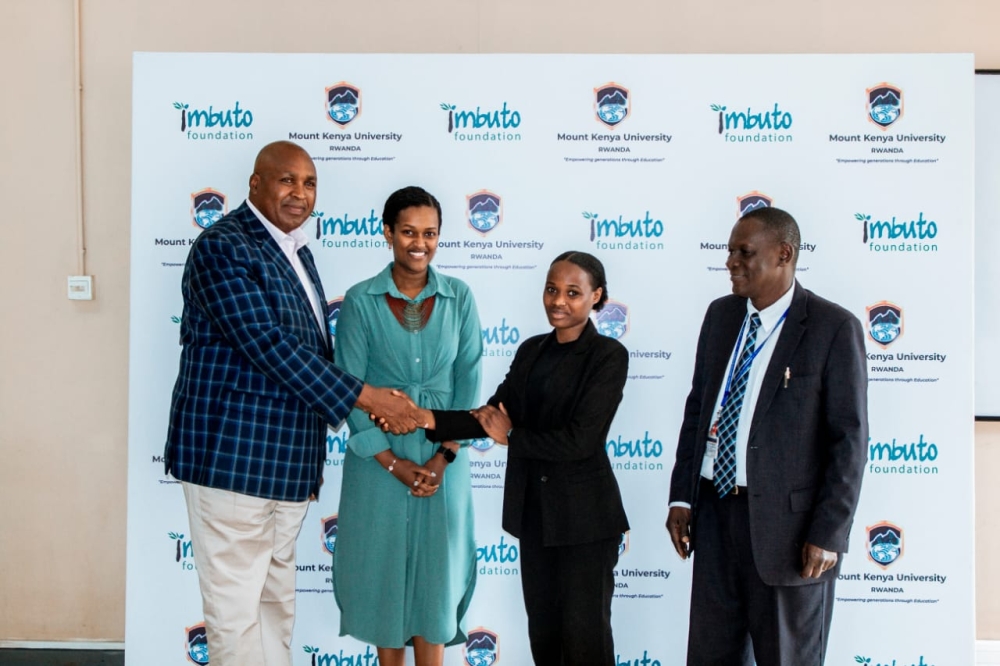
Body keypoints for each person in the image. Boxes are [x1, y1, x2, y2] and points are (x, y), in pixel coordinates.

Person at [163, 141, 419, 666]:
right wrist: (368, 397)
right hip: (233, 461)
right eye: (287, 180)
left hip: (285, 466)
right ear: (255, 184)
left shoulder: (294, 249)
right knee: (235, 616)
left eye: (309, 183)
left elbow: (308, 350)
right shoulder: (225, 246)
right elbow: (265, 344)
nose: (300, 193)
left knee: (275, 607)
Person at [665, 206, 868, 666]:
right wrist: (682, 498)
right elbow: (699, 410)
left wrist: (829, 532)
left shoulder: (832, 327)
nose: (731, 262)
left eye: (744, 252)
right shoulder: (721, 316)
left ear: (784, 254)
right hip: (715, 518)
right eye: (730, 251)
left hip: (790, 536)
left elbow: (849, 441)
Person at [420, 251, 630, 666]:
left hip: (585, 523)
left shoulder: (608, 355)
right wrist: (424, 419)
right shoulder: (532, 350)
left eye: (573, 292)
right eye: (552, 289)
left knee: (586, 642)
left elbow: (580, 441)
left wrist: (512, 436)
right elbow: (491, 414)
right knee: (545, 641)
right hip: (535, 517)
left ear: (596, 296)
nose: (558, 301)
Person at [332, 186, 483, 666]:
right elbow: (349, 388)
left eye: (431, 233)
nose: (420, 243)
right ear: (388, 233)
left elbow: (469, 382)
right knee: (383, 581)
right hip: (377, 464)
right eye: (409, 232)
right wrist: (391, 461)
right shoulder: (359, 301)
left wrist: (444, 455)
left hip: (446, 462)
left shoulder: (460, 297)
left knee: (437, 585)